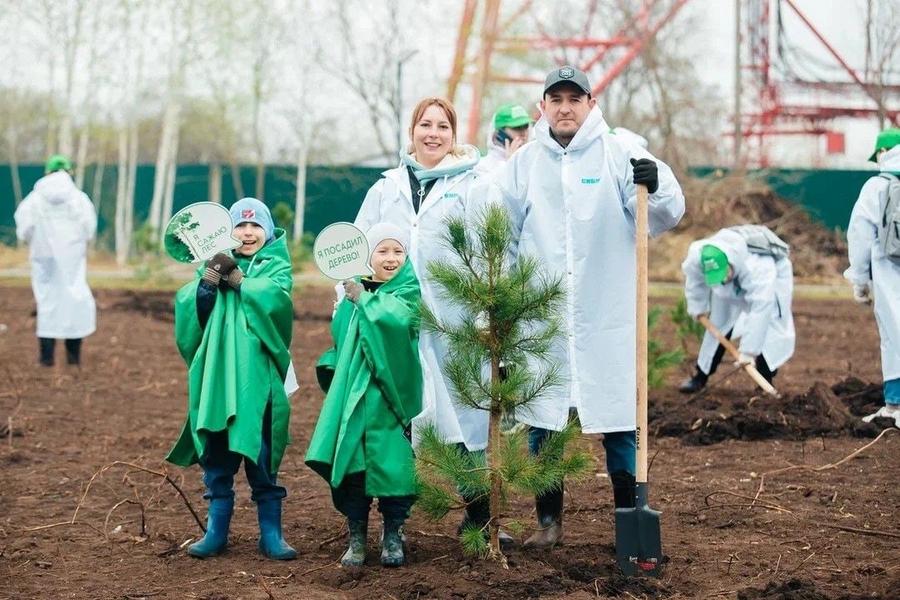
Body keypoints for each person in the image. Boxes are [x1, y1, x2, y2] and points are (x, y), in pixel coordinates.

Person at [488, 65, 685, 549]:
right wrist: (504, 304)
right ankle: (549, 525)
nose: (565, 107)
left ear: (591, 105)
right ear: (543, 108)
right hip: (544, 318)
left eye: (574, 98)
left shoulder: (620, 153)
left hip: (605, 315)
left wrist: (656, 183)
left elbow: (665, 214)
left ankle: (628, 523)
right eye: (555, 98)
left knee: (619, 422)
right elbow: (503, 237)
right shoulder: (525, 163)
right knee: (545, 423)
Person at [353, 97, 505, 539]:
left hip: (455, 322)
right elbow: (356, 249)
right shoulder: (385, 188)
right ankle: (390, 525)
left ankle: (478, 515)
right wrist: (351, 305)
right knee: (393, 416)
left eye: (442, 126)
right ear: (412, 131)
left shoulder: (475, 185)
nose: (433, 133)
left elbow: (492, 251)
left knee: (463, 417)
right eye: (425, 124)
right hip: (394, 324)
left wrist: (485, 310)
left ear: (453, 134)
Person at [166, 198, 297, 560]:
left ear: (267, 232)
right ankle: (216, 530)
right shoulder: (212, 264)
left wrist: (240, 282)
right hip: (219, 380)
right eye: (240, 225)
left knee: (262, 451)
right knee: (218, 450)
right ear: (227, 231)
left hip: (260, 381)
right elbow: (189, 310)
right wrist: (207, 285)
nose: (248, 232)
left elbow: (278, 303)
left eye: (256, 226)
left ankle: (271, 533)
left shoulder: (276, 266)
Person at [306, 224, 421, 568]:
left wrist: (364, 300)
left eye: (397, 251)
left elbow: (400, 322)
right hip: (355, 398)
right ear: (368, 256)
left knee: (396, 470)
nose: (390, 259)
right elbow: (341, 340)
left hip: (393, 400)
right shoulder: (352, 291)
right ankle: (356, 537)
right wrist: (347, 304)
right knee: (353, 469)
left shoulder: (409, 290)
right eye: (382, 251)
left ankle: (393, 535)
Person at [678, 226, 795, 393]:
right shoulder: (699, 256)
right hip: (737, 277)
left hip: (771, 281)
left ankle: (765, 379)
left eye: (724, 274)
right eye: (717, 277)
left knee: (769, 325)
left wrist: (748, 352)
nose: (723, 280)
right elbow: (695, 280)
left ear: (730, 263)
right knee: (719, 323)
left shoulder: (758, 267)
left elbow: (761, 309)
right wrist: (697, 307)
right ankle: (701, 376)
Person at [14, 154, 97, 367]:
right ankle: (73, 360)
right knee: (74, 301)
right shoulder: (79, 199)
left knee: (47, 303)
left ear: (48, 171)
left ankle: (46, 359)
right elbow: (90, 229)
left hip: (44, 261)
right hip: (72, 262)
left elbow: (23, 230)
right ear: (68, 171)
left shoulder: (34, 199)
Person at [845, 128, 900, 427]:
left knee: (894, 334)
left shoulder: (877, 186)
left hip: (889, 269)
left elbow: (860, 235)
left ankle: (895, 405)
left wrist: (859, 279)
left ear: (884, 152)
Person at [474, 103, 533, 177]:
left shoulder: (534, 163)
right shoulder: (483, 167)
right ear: (500, 133)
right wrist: (510, 165)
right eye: (517, 127)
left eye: (525, 126)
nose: (524, 133)